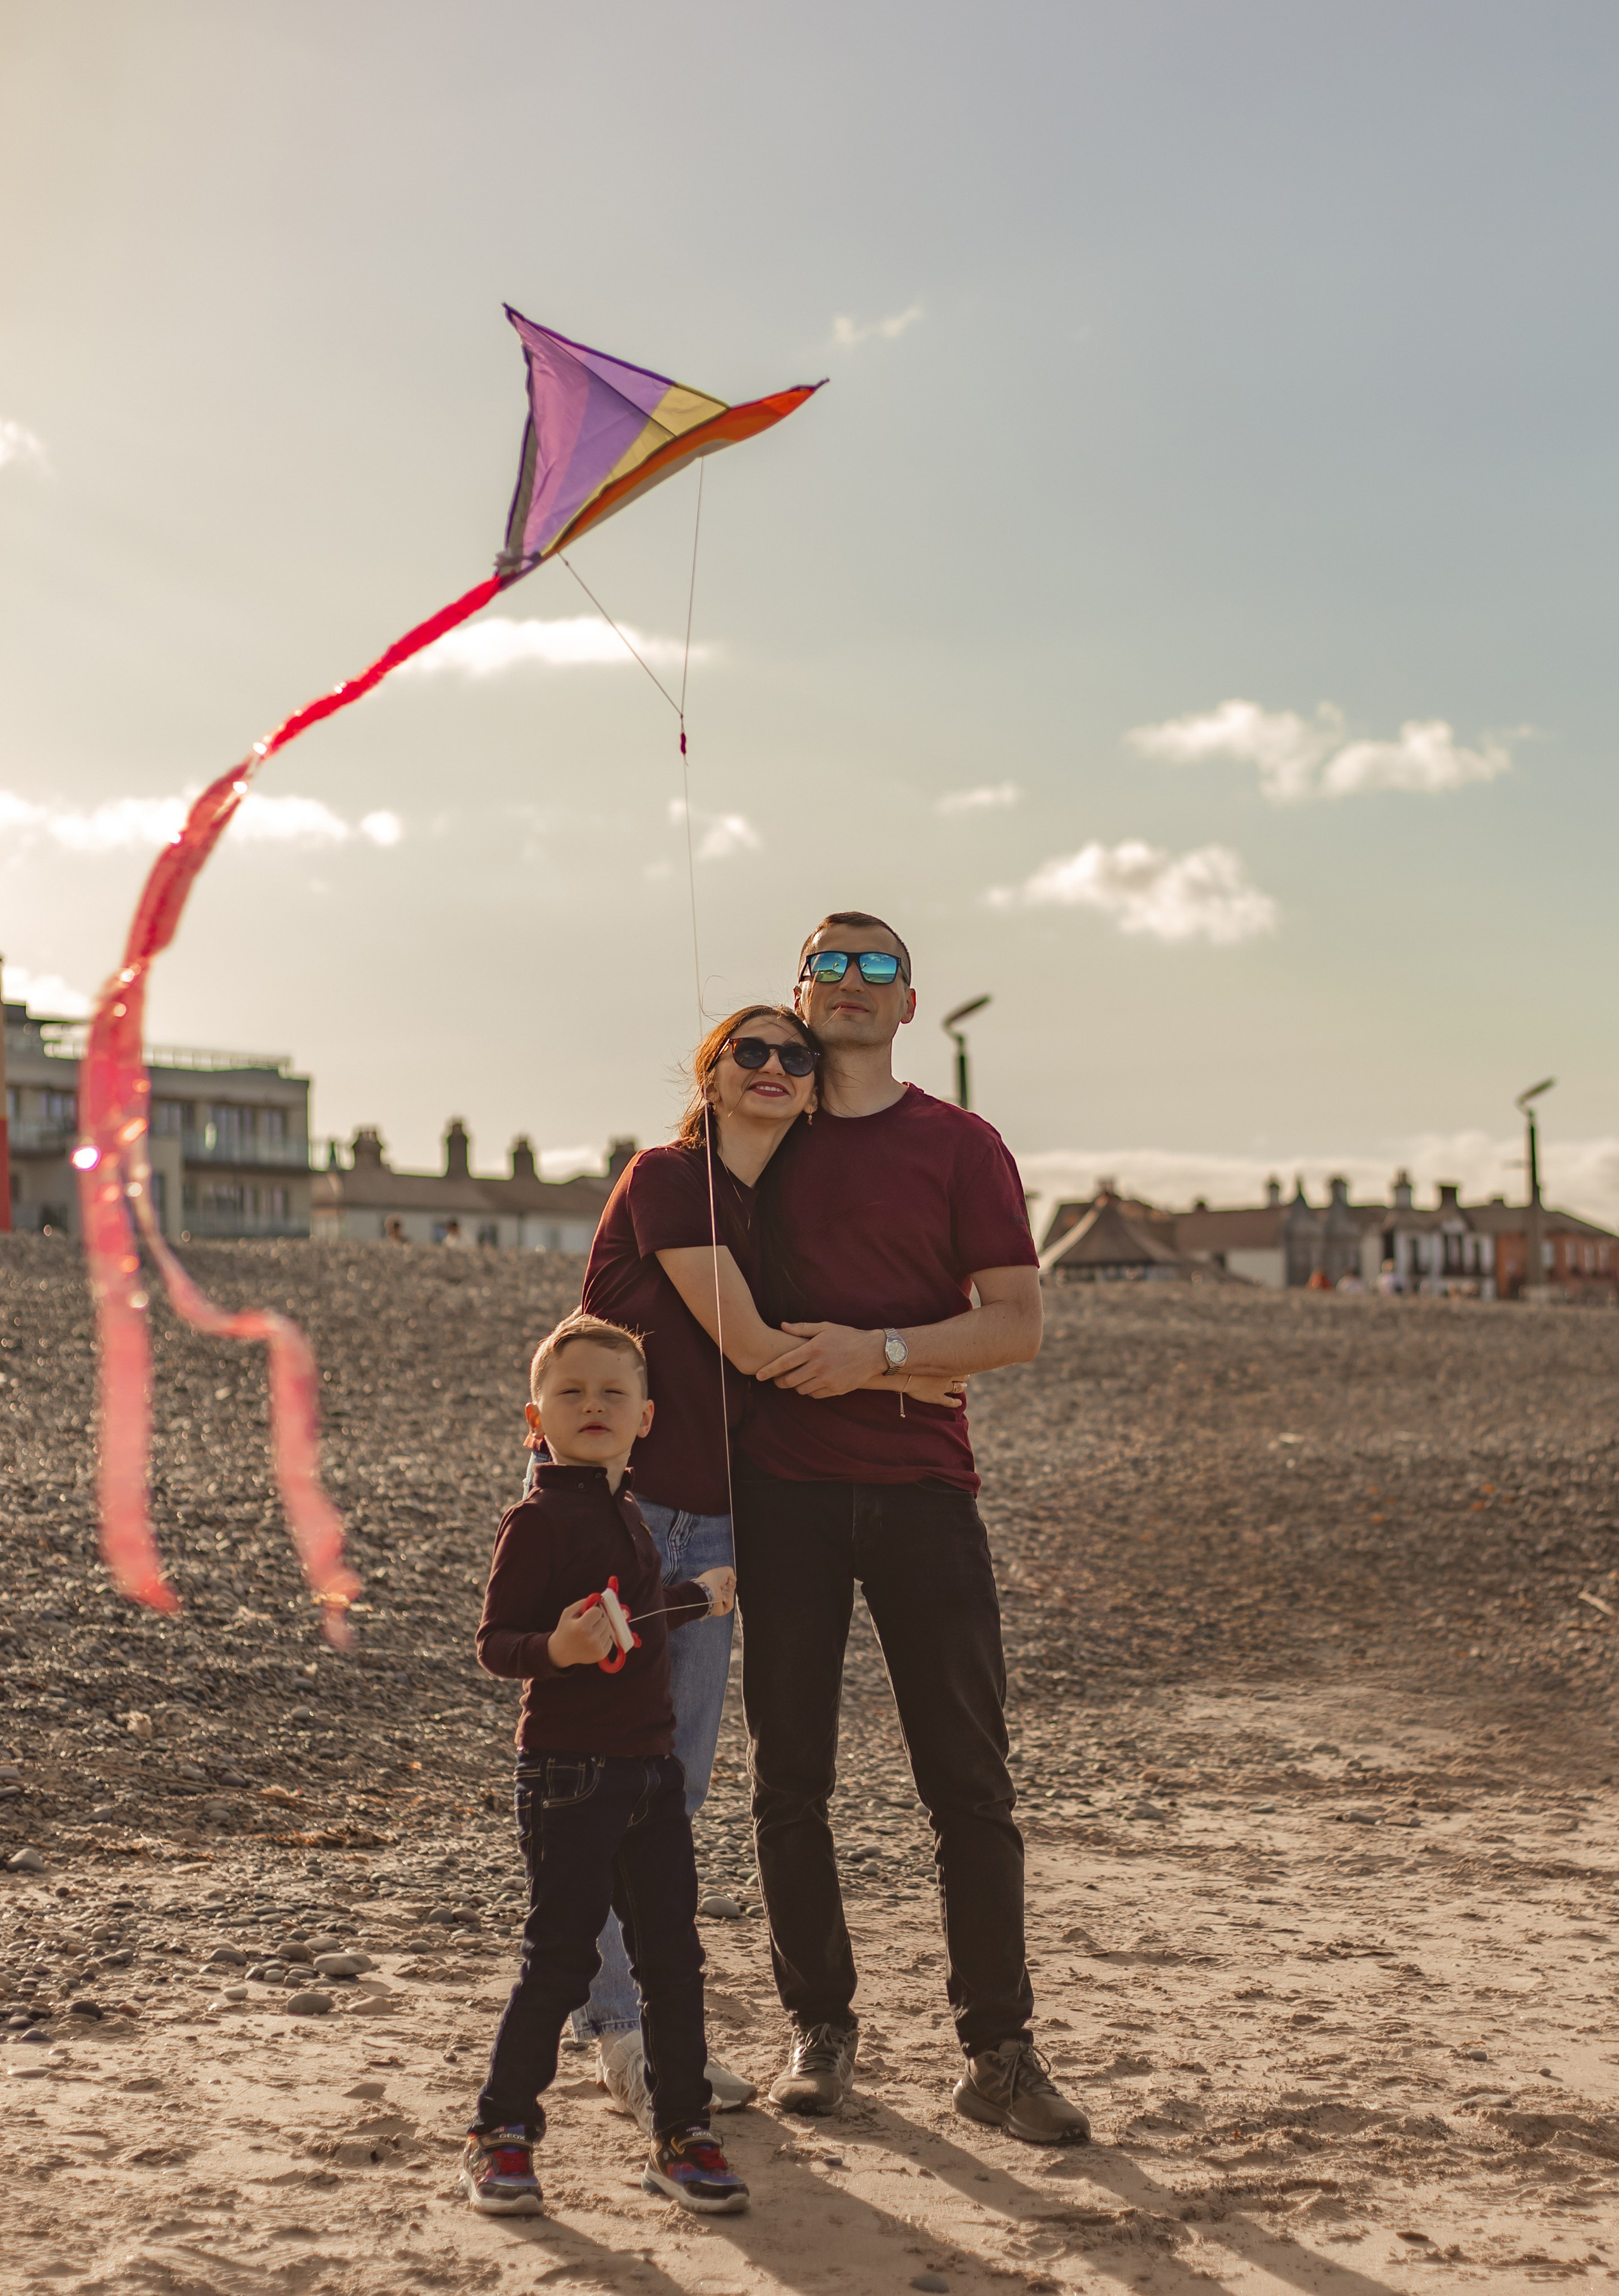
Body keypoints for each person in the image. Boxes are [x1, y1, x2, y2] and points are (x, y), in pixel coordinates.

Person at [566, 1003, 964, 2127]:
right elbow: (747, 1344)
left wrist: (903, 1362)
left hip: (718, 1529)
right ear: (712, 1072)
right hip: (627, 1518)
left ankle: (645, 2022)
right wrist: (904, 1377)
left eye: (796, 1055)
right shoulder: (665, 1179)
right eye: (753, 1050)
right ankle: (624, 2035)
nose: (779, 1067)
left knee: (673, 1792)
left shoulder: (766, 1212)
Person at [732, 911, 1092, 2145]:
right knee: (790, 1782)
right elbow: (681, 1284)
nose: (846, 980)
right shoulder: (754, 1137)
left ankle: (997, 2051)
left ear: (906, 1001)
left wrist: (879, 1356)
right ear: (795, 993)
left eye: (872, 965)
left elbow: (1014, 1325)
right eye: (825, 963)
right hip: (777, 1496)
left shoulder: (961, 1144)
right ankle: (819, 2032)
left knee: (968, 1786)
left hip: (925, 1495)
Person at [465, 1312, 749, 2218]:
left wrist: (694, 1600)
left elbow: (629, 1611)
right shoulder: (538, 1518)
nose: (593, 1406)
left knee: (675, 1961)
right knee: (558, 1959)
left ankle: (681, 2135)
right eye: (572, 1392)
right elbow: (495, 1643)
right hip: (567, 1777)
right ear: (533, 1416)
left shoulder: (627, 1512)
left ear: (647, 1417)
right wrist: (556, 1646)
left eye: (613, 1394)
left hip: (649, 1774)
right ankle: (502, 2133)